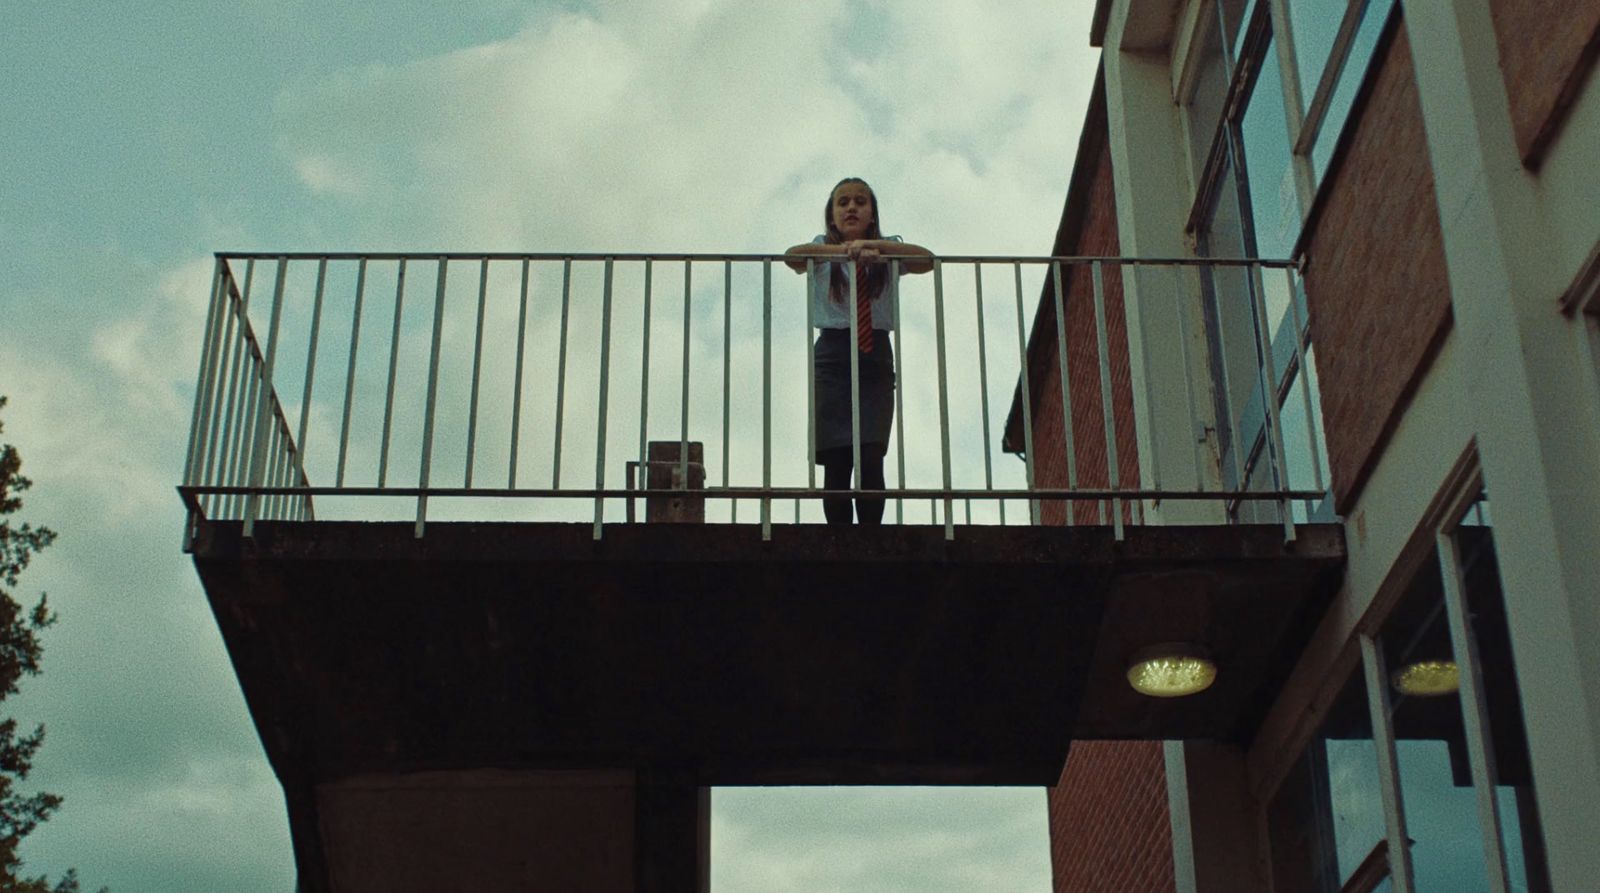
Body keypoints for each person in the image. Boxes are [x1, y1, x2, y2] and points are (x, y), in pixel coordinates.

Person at [784, 178, 933, 525]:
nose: (851, 207)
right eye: (843, 202)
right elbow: (792, 257)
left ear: (872, 214)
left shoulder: (887, 248)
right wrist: (841, 252)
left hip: (874, 354)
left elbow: (926, 259)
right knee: (837, 458)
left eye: (860, 202)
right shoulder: (821, 249)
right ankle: (838, 539)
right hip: (834, 355)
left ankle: (870, 538)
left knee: (870, 455)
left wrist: (873, 247)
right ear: (832, 216)